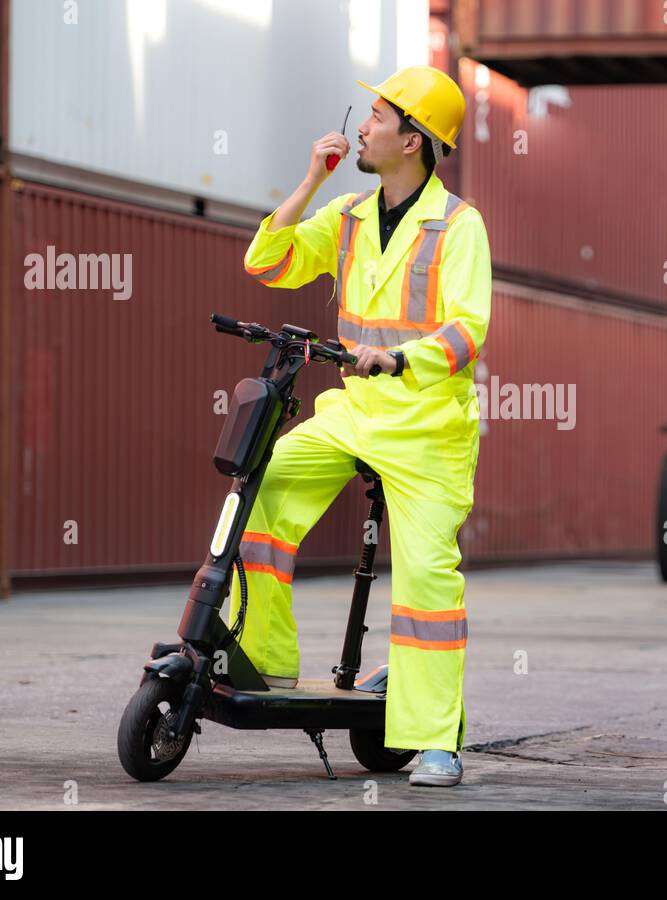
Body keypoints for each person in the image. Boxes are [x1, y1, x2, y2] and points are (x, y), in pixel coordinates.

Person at [239, 66, 490, 786]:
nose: (363, 126)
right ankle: (268, 660)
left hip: (427, 429)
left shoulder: (458, 226)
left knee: (427, 582)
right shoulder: (348, 215)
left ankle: (436, 739)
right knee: (262, 485)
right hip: (353, 414)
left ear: (413, 140)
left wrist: (399, 357)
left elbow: (467, 330)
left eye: (378, 116)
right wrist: (309, 181)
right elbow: (269, 261)